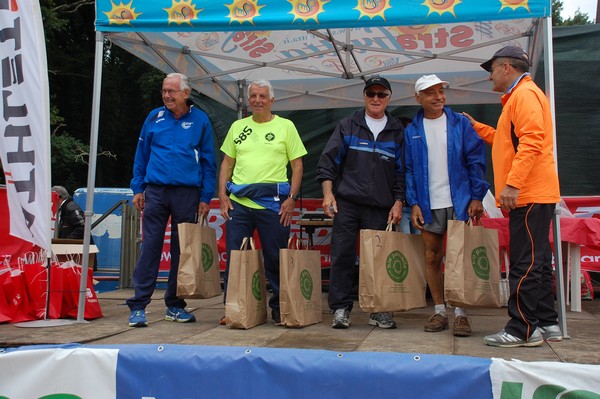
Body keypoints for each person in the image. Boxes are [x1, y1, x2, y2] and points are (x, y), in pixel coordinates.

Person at [463, 46, 561, 347]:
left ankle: (522, 329)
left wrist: (512, 186)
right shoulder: (520, 97)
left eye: (491, 70)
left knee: (525, 262)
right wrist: (476, 127)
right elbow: (507, 141)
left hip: (528, 192)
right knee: (538, 260)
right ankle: (546, 322)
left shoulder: (524, 96)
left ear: (506, 67)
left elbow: (531, 142)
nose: (490, 76)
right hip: (535, 192)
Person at [126, 72, 217, 328]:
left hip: (187, 194)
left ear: (185, 93)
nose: (167, 95)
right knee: (151, 247)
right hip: (155, 191)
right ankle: (138, 306)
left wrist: (205, 196)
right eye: (164, 91)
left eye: (172, 91)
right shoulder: (154, 117)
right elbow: (141, 155)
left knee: (182, 251)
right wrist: (138, 188)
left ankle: (175, 306)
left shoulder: (200, 120)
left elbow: (210, 161)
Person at [317, 76, 405, 329]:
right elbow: (327, 163)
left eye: (381, 94)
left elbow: (402, 171)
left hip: (381, 206)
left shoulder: (397, 130)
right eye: (371, 94)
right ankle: (341, 309)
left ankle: (379, 310)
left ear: (389, 98)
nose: (376, 98)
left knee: (379, 260)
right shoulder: (348, 125)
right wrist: (327, 194)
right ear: (364, 96)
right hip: (347, 204)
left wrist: (399, 201)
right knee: (342, 256)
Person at [404, 74, 489, 337]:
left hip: (459, 201)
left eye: (441, 91)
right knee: (431, 257)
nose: (438, 97)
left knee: (457, 260)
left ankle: (461, 314)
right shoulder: (411, 131)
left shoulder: (460, 123)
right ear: (418, 98)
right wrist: (414, 203)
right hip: (429, 204)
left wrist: (476, 196)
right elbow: (407, 169)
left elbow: (476, 159)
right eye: (431, 93)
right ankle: (440, 310)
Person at [218, 79, 307, 326]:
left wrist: (292, 199)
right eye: (254, 96)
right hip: (239, 204)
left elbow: (297, 165)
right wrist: (223, 196)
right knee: (236, 259)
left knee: (276, 259)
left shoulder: (286, 126)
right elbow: (227, 163)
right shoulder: (238, 126)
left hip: (274, 205)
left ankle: (279, 308)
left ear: (272, 100)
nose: (257, 100)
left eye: (262, 96)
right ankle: (234, 308)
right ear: (249, 99)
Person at [397, 117, 420, 235]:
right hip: (400, 207)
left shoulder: (419, 153)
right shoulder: (395, 153)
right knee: (404, 248)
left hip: (418, 207)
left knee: (420, 247)